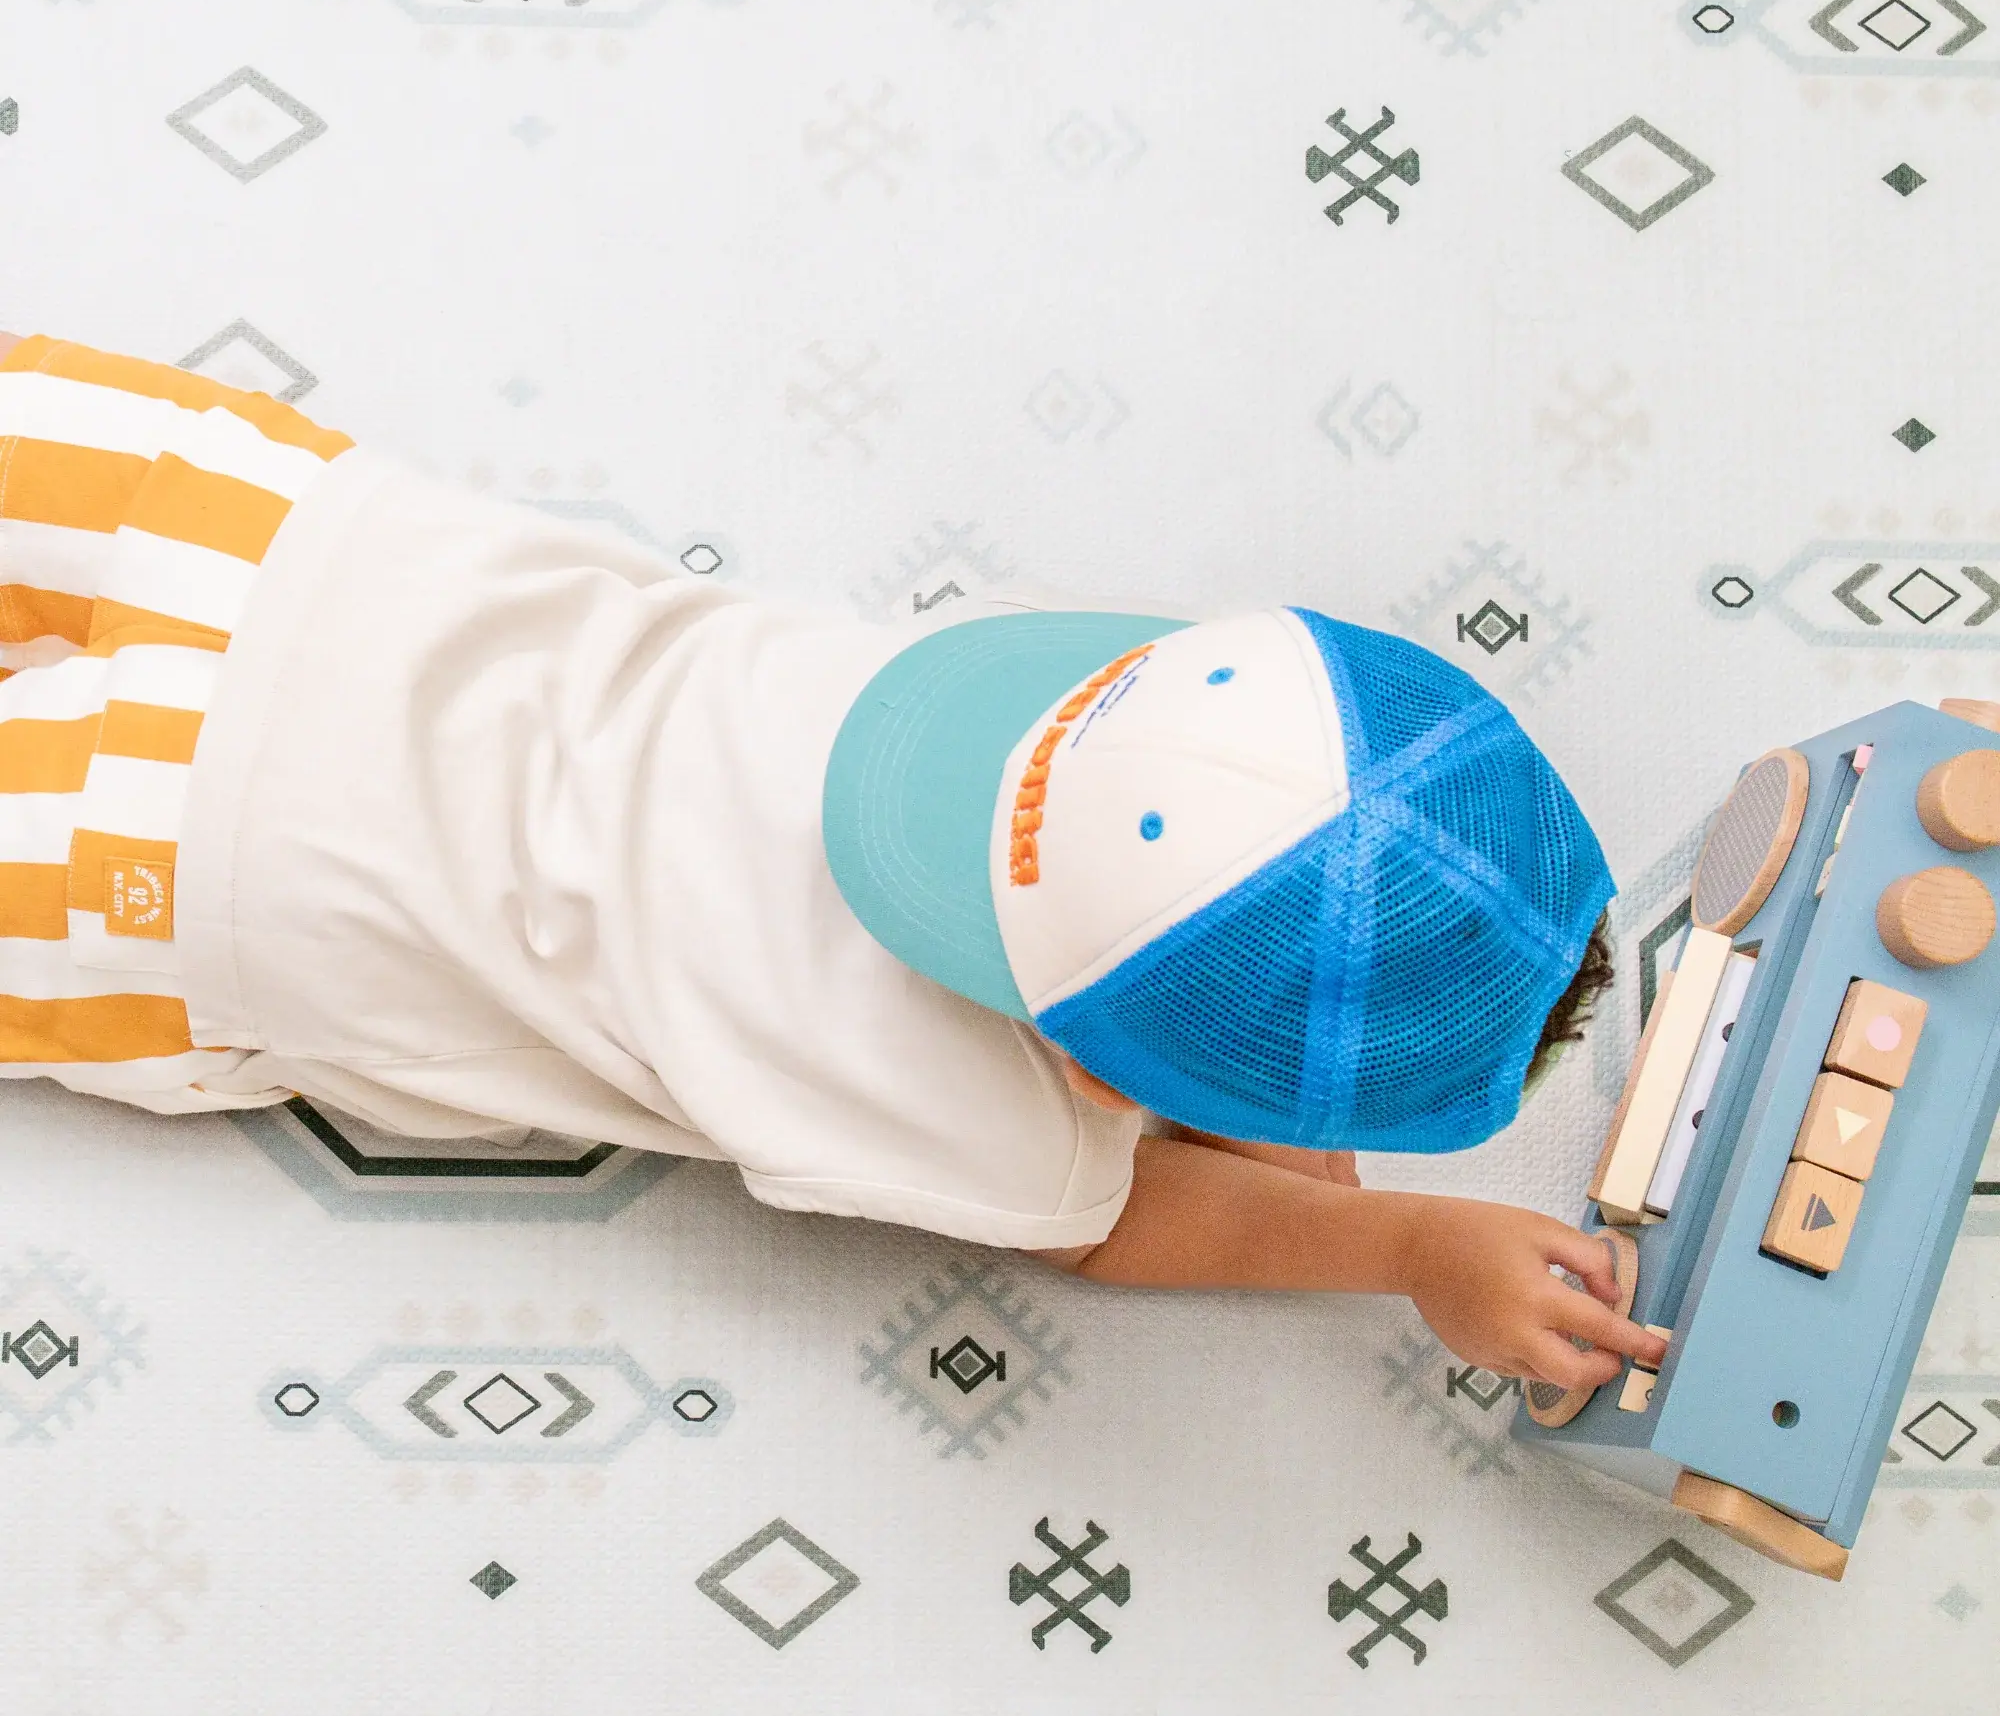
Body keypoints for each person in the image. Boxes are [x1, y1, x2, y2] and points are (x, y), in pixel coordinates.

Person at [0, 332, 1665, 1395]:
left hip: (293, 548)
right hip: (195, 868)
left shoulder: (1052, 673)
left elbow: (1264, 840)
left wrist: (1272, 1067)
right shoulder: (1001, 1130)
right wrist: (1402, 1243)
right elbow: (1125, 1224)